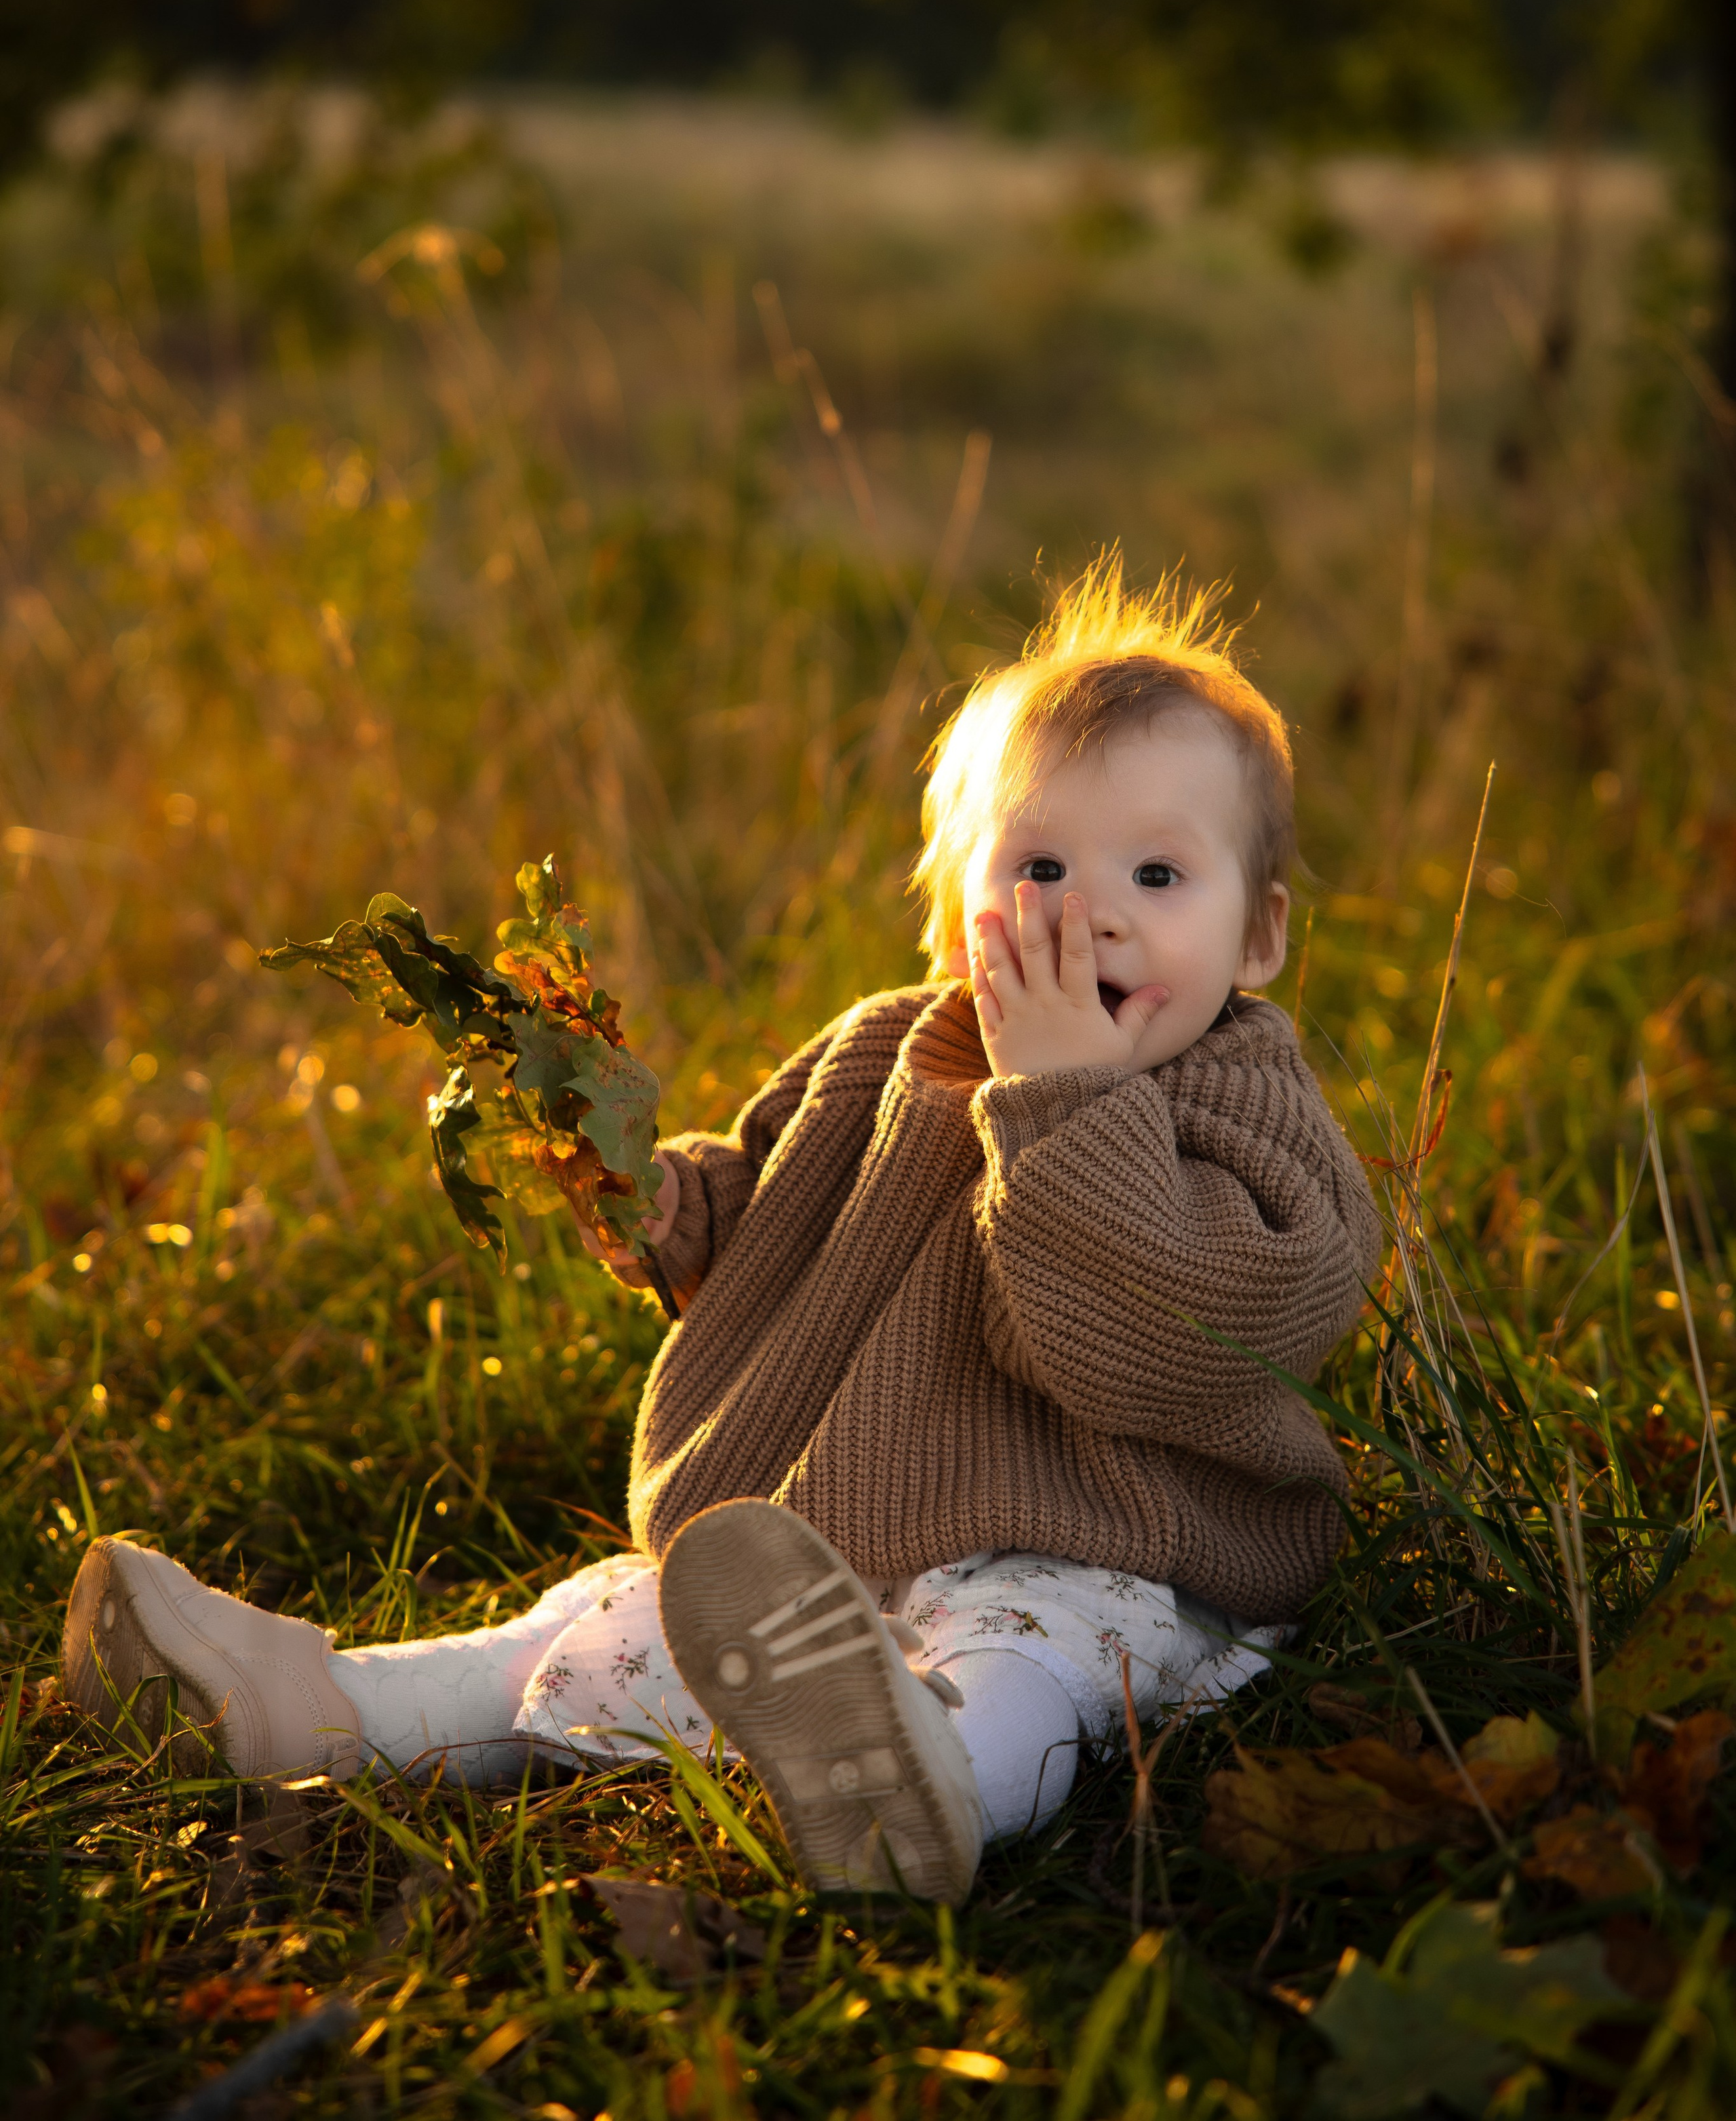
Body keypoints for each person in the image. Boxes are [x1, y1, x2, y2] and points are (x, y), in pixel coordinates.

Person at [62, 559, 1379, 1906]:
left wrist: (1058, 1100)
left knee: (1019, 1666)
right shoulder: (882, 1050)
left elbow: (1176, 1336)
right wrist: (669, 1207)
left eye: (1156, 872)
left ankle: (929, 1781)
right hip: (827, 1560)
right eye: (1037, 863)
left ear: (1257, 934)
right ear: (950, 911)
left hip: (1109, 1555)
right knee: (591, 1626)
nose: (1086, 909)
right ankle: (302, 1707)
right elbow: (776, 1206)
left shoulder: (1242, 1109)